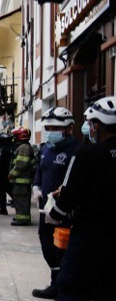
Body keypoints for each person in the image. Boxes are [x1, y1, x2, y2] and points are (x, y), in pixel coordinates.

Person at [47, 97, 116, 301]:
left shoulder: (86, 154)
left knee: (70, 286)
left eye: (90, 123)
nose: (88, 128)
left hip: (90, 234)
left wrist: (54, 213)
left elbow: (69, 193)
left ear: (97, 125)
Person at [31, 107, 81, 299]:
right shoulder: (45, 149)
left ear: (68, 129)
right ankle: (55, 282)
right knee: (47, 245)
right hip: (46, 210)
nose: (51, 132)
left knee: (63, 248)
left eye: (55, 128)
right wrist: (36, 188)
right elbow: (40, 172)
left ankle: (62, 287)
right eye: (49, 128)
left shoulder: (76, 151)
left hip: (65, 211)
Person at [8, 126, 35, 226]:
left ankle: (23, 219)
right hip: (20, 180)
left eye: (15, 136)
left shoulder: (24, 148)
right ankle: (20, 216)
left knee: (22, 200)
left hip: (22, 180)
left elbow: (20, 165)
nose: (13, 138)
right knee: (19, 199)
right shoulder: (23, 146)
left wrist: (11, 174)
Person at [0, 132, 13, 215]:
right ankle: (4, 208)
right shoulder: (5, 148)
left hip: (3, 174)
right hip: (4, 173)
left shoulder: (4, 149)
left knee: (3, 191)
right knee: (5, 190)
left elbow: (1, 163)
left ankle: (3, 209)